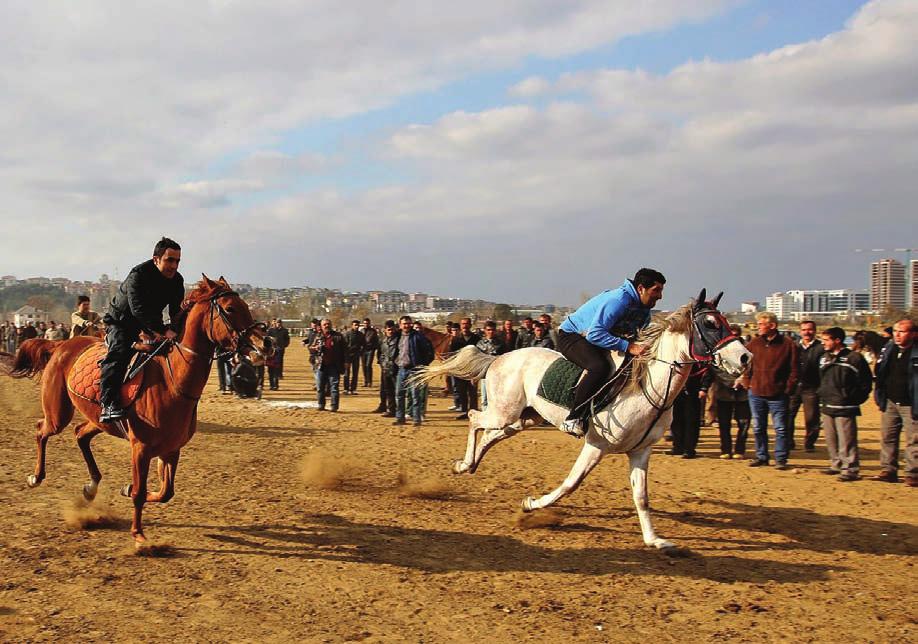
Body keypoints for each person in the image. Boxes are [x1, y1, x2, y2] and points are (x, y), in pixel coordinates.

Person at [556, 268, 665, 437]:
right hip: (572, 336)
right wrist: (629, 347)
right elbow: (595, 334)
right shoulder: (618, 300)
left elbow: (636, 339)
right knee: (599, 367)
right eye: (656, 290)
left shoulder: (645, 313)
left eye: (661, 291)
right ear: (641, 288)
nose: (660, 296)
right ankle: (573, 417)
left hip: (597, 341)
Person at [99, 237, 184, 423]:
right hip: (120, 322)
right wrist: (162, 330)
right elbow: (138, 309)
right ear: (156, 259)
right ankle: (108, 404)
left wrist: (178, 328)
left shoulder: (177, 280)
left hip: (147, 324)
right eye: (170, 260)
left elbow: (176, 311)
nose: (174, 265)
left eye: (177, 261)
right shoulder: (138, 274)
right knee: (119, 354)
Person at [740, 312, 798, 470]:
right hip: (756, 392)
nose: (758, 327)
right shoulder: (754, 343)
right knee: (758, 427)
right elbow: (745, 363)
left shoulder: (788, 344)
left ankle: (781, 458)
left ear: (772, 326)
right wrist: (747, 382)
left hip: (778, 394)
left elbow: (794, 369)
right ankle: (762, 456)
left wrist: (788, 388)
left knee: (780, 428)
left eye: (761, 324)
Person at [817, 327, 873, 482]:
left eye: (826, 340)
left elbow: (865, 382)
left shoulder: (854, 358)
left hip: (845, 406)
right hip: (827, 404)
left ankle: (850, 469)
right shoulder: (824, 357)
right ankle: (836, 464)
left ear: (837, 340)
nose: (823, 343)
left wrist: (853, 398)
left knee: (847, 440)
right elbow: (820, 378)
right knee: (831, 438)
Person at [873, 318, 917, 486]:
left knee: (913, 440)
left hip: (911, 403)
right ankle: (888, 470)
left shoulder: (915, 351)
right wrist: (880, 394)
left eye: (902, 332)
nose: (897, 335)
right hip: (890, 401)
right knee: (888, 437)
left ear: (913, 334)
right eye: (895, 331)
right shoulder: (889, 348)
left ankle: (912, 473)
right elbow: (880, 372)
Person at [789, 320, 825, 453]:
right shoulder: (794, 347)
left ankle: (809, 443)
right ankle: (789, 442)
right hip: (793, 387)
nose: (807, 332)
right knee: (788, 415)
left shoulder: (821, 348)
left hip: (812, 388)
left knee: (812, 418)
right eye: (804, 330)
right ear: (800, 331)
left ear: (815, 331)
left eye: (809, 329)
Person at [392, 315, 434, 427]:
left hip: (414, 369)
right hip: (401, 369)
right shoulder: (397, 337)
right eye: (404, 324)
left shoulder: (418, 337)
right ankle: (400, 418)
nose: (406, 326)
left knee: (415, 396)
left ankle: (416, 419)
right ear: (400, 325)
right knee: (399, 394)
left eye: (408, 323)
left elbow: (429, 352)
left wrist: (423, 365)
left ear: (411, 324)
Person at [309, 319, 346, 412]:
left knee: (334, 387)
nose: (326, 326)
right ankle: (321, 404)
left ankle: (334, 406)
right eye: (324, 324)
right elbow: (311, 348)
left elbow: (345, 350)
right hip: (321, 365)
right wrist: (315, 348)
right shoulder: (318, 336)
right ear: (321, 326)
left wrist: (346, 362)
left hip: (334, 365)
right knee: (320, 386)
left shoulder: (338, 336)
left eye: (328, 324)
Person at [450, 317, 480, 420]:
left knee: (472, 392)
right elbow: (453, 355)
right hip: (460, 369)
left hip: (473, 369)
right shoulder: (455, 339)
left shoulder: (476, 339)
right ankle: (464, 412)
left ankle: (474, 412)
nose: (465, 326)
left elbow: (479, 355)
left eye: (467, 324)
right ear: (460, 325)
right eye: (463, 324)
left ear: (470, 325)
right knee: (462, 392)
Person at [475, 320, 508, 410]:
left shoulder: (501, 344)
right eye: (488, 330)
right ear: (485, 330)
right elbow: (477, 361)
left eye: (493, 330)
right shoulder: (480, 344)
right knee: (485, 399)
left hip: (498, 375)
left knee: (497, 398)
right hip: (485, 374)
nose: (491, 332)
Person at [376, 321, 399, 417]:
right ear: (385, 330)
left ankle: (400, 410)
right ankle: (391, 409)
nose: (391, 331)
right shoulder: (383, 340)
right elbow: (380, 353)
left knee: (398, 391)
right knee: (387, 390)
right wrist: (382, 363)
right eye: (389, 330)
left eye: (392, 329)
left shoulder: (399, 340)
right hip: (385, 368)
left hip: (396, 368)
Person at [343, 319, 365, 395]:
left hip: (356, 355)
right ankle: (346, 388)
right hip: (348, 356)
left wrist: (360, 352)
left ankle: (353, 389)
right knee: (347, 373)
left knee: (355, 373)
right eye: (355, 325)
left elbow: (363, 345)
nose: (356, 326)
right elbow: (344, 345)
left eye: (357, 325)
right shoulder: (347, 334)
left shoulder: (361, 335)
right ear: (352, 325)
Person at [361, 318, 379, 388]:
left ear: (369, 323)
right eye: (365, 323)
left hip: (370, 350)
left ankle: (369, 382)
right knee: (364, 366)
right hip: (363, 350)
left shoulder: (373, 331)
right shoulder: (361, 331)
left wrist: (374, 348)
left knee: (368, 365)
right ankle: (366, 381)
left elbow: (376, 341)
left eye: (367, 323)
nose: (366, 324)